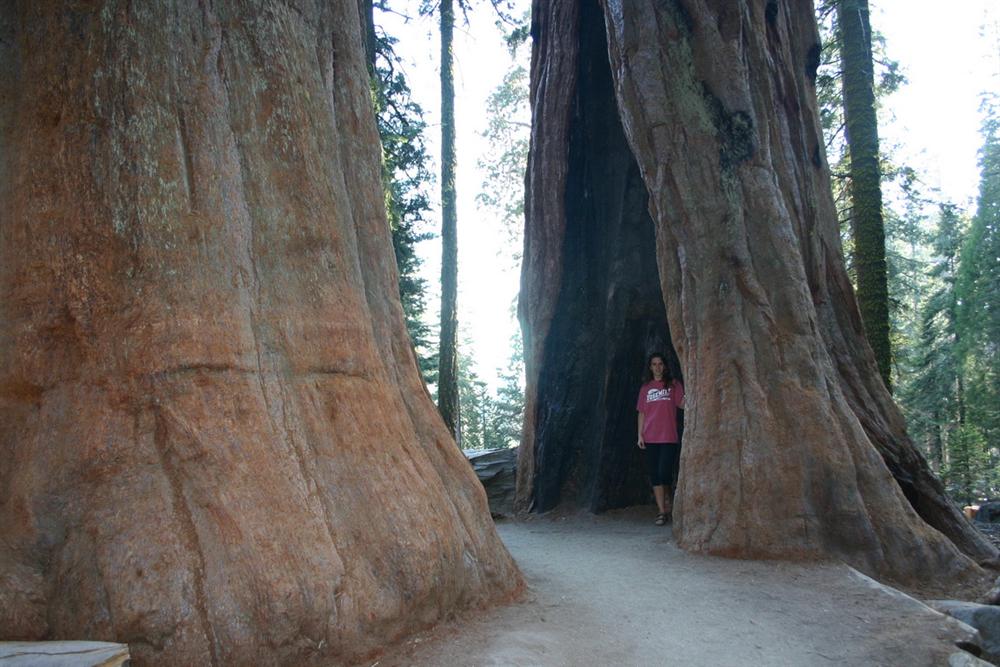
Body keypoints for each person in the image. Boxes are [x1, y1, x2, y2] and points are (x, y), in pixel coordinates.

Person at [636, 352, 685, 526]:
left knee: (665, 472)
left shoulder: (673, 385)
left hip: (668, 436)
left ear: (665, 366)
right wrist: (640, 434)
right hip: (650, 436)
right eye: (654, 364)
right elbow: (641, 412)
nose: (657, 367)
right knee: (655, 475)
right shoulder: (645, 388)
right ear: (650, 367)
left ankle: (667, 499)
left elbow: (682, 404)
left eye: (660, 364)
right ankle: (662, 511)